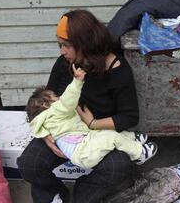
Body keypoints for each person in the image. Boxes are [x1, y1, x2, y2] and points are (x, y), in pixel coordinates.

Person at [17, 9, 141, 203]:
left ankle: (84, 193)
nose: (62, 51)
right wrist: (47, 134)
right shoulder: (65, 64)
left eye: (66, 45)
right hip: (65, 132)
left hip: (99, 135)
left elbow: (129, 117)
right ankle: (55, 195)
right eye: (60, 45)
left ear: (86, 43)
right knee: (29, 164)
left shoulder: (118, 70)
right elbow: (46, 103)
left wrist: (92, 123)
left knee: (119, 166)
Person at [25, 64, 158, 169]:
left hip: (82, 141)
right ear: (46, 104)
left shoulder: (44, 122)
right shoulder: (55, 111)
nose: (59, 97)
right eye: (55, 97)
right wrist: (77, 81)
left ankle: (132, 138)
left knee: (105, 133)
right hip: (82, 151)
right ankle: (139, 153)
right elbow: (67, 100)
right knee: (111, 137)